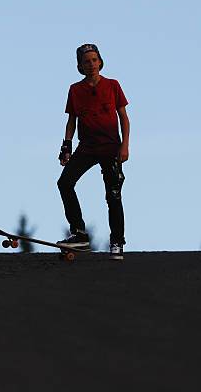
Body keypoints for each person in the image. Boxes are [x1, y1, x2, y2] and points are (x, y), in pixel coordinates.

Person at [56, 44, 130, 260]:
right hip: (87, 146)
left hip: (110, 146)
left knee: (113, 194)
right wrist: (66, 146)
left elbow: (124, 118)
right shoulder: (75, 90)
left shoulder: (113, 85)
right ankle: (79, 233)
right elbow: (72, 120)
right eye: (86, 61)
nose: (91, 64)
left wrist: (125, 145)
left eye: (94, 60)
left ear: (100, 61)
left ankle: (117, 242)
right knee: (65, 182)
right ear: (80, 65)